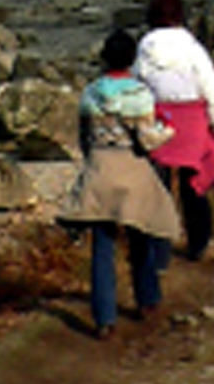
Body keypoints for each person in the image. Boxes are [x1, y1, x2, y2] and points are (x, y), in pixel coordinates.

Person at [65, 27, 184, 338]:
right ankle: (147, 299)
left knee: (102, 247)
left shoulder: (89, 93)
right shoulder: (140, 94)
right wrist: (169, 130)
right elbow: (148, 141)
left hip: (100, 170)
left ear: (105, 58)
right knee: (141, 236)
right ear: (131, 59)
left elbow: (84, 138)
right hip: (132, 172)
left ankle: (104, 318)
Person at [136, 0, 214, 261]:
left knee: (159, 187)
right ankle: (198, 242)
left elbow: (138, 84)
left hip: (159, 118)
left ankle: (161, 248)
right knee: (194, 185)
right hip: (192, 120)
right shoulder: (192, 48)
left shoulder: (145, 48)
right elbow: (212, 88)